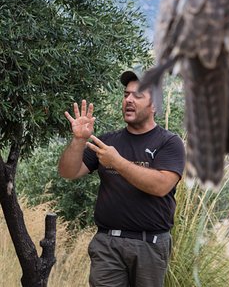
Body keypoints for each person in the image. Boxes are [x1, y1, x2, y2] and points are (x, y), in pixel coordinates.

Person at [58, 68, 186, 287]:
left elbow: (161, 186)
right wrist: (79, 141)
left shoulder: (169, 143)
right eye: (126, 94)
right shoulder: (108, 141)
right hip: (108, 244)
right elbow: (68, 172)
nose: (128, 100)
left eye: (137, 96)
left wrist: (117, 162)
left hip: (151, 245)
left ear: (154, 105)